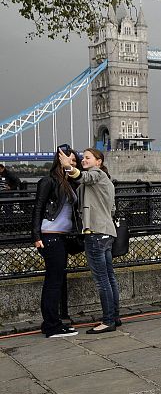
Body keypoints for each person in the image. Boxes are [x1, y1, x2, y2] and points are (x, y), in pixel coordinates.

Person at [60, 147, 119, 334]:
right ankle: (114, 317)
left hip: (95, 233)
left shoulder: (97, 175)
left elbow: (83, 177)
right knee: (109, 278)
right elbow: (112, 209)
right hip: (107, 233)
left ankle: (108, 321)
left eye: (88, 158)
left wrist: (68, 166)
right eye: (83, 158)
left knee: (102, 281)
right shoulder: (105, 181)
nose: (83, 160)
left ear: (98, 162)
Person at [33, 145, 82, 338]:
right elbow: (38, 208)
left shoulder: (70, 183)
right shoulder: (48, 181)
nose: (74, 163)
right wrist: (36, 236)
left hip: (61, 237)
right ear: (60, 160)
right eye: (71, 159)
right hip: (50, 236)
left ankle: (54, 323)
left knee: (56, 281)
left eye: (76, 161)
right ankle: (51, 326)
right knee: (53, 283)